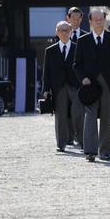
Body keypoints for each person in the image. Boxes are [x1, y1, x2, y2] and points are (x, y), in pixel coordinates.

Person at [74, 8, 110, 162]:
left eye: (101, 19)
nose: (98, 21)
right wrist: (83, 78)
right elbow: (77, 65)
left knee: (106, 117)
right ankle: (90, 151)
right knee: (90, 116)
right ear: (89, 21)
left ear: (105, 20)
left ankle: (105, 152)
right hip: (90, 85)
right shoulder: (83, 40)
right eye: (95, 19)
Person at [42, 21, 83, 152]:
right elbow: (46, 72)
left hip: (75, 86)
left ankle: (82, 140)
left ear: (71, 32)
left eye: (67, 30)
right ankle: (61, 143)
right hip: (58, 87)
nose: (64, 33)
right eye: (61, 30)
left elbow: (83, 67)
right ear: (56, 33)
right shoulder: (50, 51)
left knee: (78, 113)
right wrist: (46, 89)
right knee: (60, 116)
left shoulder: (78, 48)